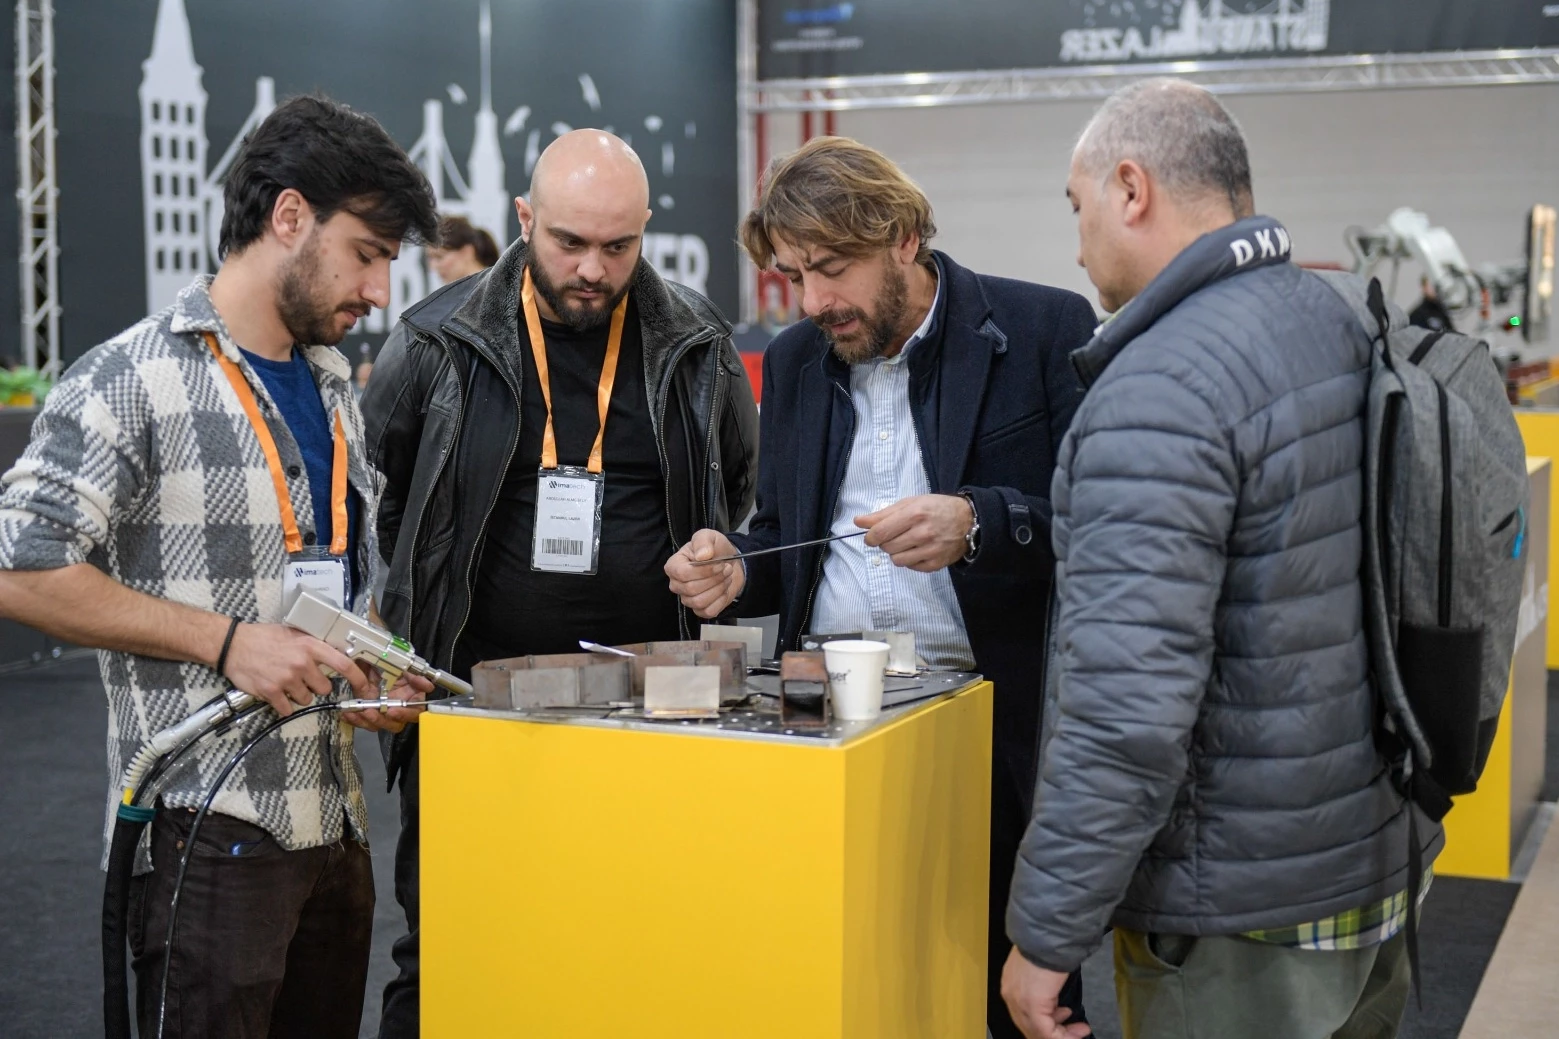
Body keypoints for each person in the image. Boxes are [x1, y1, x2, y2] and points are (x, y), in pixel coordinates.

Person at [0, 95, 437, 1038]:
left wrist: (370, 665)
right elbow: (19, 568)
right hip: (201, 831)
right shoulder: (128, 378)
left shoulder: (332, 386)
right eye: (366, 253)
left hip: (335, 822)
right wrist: (230, 643)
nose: (379, 290)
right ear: (290, 216)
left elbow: (320, 578)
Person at [1000, 79, 1427, 1039]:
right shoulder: (1339, 319)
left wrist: (1047, 934)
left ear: (1130, 188)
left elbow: (1125, 710)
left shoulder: (1157, 389)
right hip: (1370, 868)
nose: (1076, 247)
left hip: (1235, 919)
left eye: (1075, 207)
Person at [663, 135, 1099, 1039]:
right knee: (842, 984)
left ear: (903, 237)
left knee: (1001, 985)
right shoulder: (796, 360)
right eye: (794, 276)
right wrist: (736, 564)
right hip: (825, 723)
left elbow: (1102, 526)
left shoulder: (1043, 329)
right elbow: (785, 536)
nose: (813, 301)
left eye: (831, 269)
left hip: (989, 726)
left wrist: (976, 522)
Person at [362, 129, 758, 1039]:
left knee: (633, 941)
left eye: (618, 246)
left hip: (650, 711)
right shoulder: (440, 339)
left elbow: (735, 488)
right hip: (474, 708)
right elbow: (388, 496)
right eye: (569, 242)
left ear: (645, 228)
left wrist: (719, 556)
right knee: (451, 945)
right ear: (524, 218)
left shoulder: (696, 343)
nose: (592, 269)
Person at [426, 213, 500, 284]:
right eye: (430, 258)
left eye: (439, 257)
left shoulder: (497, 287)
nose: (433, 266)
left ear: (467, 252)